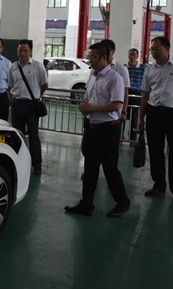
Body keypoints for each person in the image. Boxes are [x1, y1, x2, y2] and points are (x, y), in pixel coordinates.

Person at [65, 42, 131, 217]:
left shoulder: (115, 78)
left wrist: (92, 108)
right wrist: (86, 108)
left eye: (93, 58)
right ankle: (86, 204)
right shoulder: (92, 76)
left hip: (107, 129)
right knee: (90, 168)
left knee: (110, 168)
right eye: (89, 57)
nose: (90, 61)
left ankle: (123, 203)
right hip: (92, 127)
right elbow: (89, 98)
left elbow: (116, 105)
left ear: (104, 57)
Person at [138, 36, 173, 206]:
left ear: (167, 49)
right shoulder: (149, 69)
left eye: (157, 49)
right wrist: (141, 118)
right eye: (152, 49)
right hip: (154, 113)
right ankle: (159, 185)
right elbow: (145, 94)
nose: (153, 52)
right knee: (155, 151)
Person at [8, 39, 48, 174]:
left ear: (30, 51)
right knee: (18, 136)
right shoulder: (13, 67)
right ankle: (19, 163)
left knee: (33, 136)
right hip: (17, 105)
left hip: (32, 106)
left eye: (25, 50)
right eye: (20, 50)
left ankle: (37, 165)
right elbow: (11, 86)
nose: (23, 53)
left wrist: (35, 97)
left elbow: (44, 85)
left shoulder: (38, 66)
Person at [100, 39, 130, 145]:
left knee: (111, 146)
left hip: (114, 115)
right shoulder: (96, 68)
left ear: (113, 51)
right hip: (98, 114)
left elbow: (125, 91)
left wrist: (124, 112)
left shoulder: (121, 69)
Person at [125, 48, 146, 144]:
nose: (132, 57)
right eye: (130, 55)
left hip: (137, 94)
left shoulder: (143, 68)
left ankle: (132, 138)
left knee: (134, 118)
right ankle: (120, 137)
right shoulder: (124, 67)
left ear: (137, 56)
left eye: (134, 55)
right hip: (126, 93)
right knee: (123, 116)